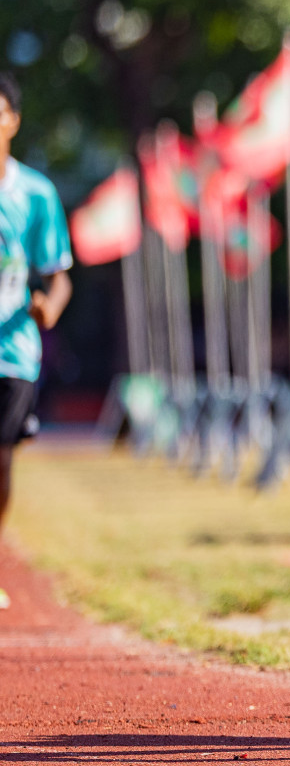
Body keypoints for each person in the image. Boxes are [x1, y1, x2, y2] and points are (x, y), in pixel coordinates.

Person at [0, 73, 74, 610]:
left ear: (13, 121)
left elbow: (59, 274)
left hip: (14, 350)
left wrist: (50, 306)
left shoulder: (36, 194)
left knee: (1, 459)